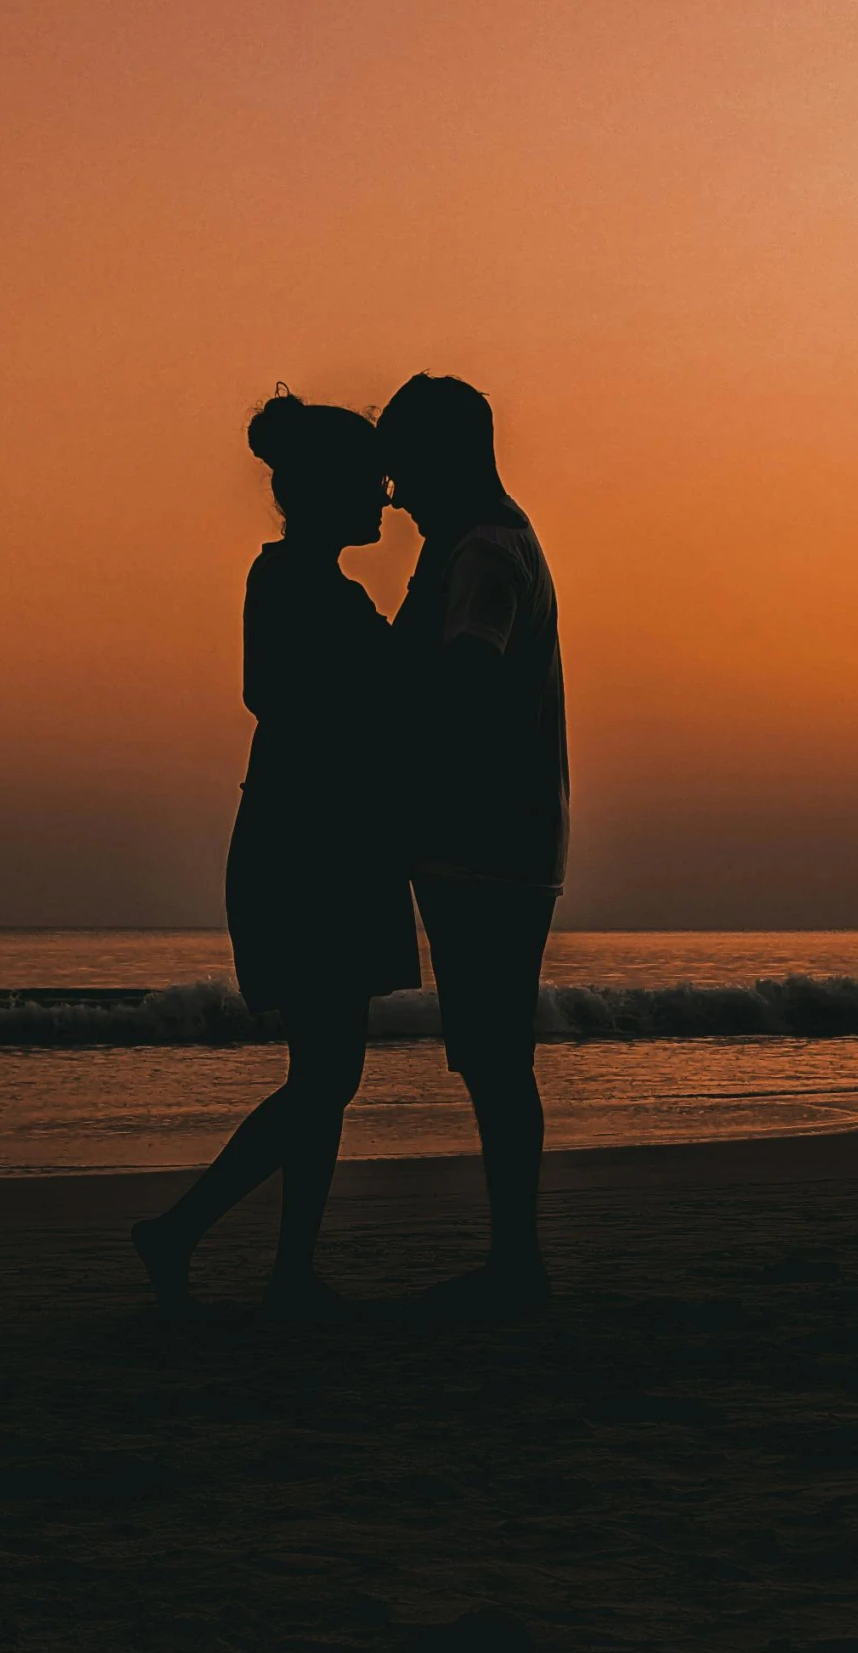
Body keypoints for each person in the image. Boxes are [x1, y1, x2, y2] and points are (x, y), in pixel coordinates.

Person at [133, 390, 419, 1319]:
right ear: (329, 489)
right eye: (371, 483)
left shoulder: (322, 587)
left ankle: (286, 1267)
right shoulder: (292, 582)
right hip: (309, 846)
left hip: (324, 839)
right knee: (328, 1072)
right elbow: (282, 698)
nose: (385, 498)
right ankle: (188, 1231)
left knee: (325, 1073)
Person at [379, 374, 568, 1318]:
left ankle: (514, 1264)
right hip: (506, 835)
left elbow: (466, 673)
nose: (396, 494)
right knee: (496, 1055)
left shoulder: (483, 553)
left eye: (404, 471)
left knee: (492, 1056)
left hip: (482, 839)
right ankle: (514, 1257)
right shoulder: (493, 540)